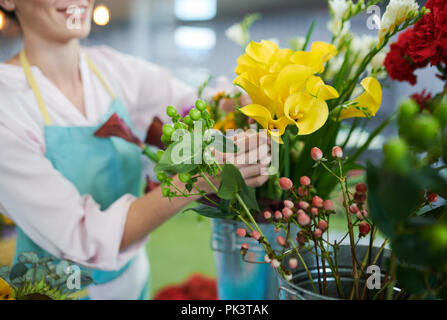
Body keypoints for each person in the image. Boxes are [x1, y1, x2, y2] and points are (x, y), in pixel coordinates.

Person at [0, 0, 270, 299]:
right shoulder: (6, 104)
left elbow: (192, 104)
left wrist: (243, 104)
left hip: (132, 282)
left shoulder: (111, 69)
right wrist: (199, 179)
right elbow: (82, 237)